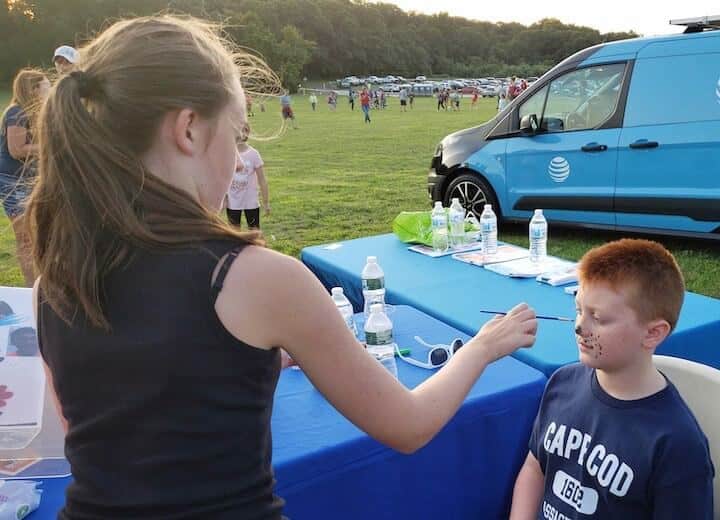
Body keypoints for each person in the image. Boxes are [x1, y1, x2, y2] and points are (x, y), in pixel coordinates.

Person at [27, 15, 537, 518]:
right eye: (236, 131)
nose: (236, 154)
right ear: (188, 129)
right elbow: (408, 425)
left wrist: (235, 370)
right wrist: (483, 347)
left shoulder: (56, 279)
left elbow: (107, 438)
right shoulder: (254, 277)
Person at [509, 239, 715, 520]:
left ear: (653, 333)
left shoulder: (677, 444)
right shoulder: (562, 384)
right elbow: (535, 468)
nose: (580, 327)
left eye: (599, 318)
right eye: (579, 309)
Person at [0, 69, 50, 286]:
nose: (50, 87)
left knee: (41, 234)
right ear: (34, 88)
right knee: (26, 238)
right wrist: (51, 146)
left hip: (30, 179)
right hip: (13, 182)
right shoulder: (16, 113)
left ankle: (43, 284)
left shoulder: (38, 111)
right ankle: (32, 289)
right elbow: (17, 149)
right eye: (46, 84)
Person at [226, 123, 269, 230]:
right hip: (232, 202)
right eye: (236, 131)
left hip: (251, 201)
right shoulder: (227, 153)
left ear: (248, 132)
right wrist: (223, 199)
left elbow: (262, 180)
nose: (240, 134)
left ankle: (256, 247)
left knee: (254, 232)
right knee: (234, 233)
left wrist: (266, 202)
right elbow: (222, 180)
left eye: (243, 130)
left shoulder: (254, 154)